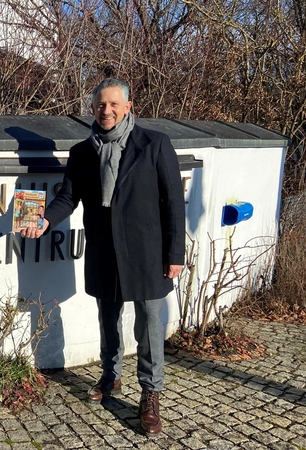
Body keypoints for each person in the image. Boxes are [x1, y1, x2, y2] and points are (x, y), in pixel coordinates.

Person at [21, 78, 184, 436]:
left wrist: (175, 253)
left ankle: (151, 393)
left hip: (147, 253)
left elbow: (173, 202)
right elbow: (68, 197)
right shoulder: (82, 152)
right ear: (92, 109)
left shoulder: (154, 144)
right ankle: (111, 376)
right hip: (103, 249)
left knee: (149, 326)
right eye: (100, 105)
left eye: (113, 105)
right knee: (108, 320)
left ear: (127, 107)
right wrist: (45, 219)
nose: (106, 111)